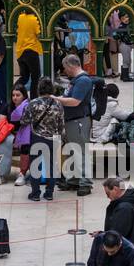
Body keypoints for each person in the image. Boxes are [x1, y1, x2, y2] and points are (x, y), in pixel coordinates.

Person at [56, 53, 93, 194]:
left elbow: (75, 101)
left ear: (71, 65)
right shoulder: (76, 80)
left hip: (79, 121)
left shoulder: (83, 81)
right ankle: (73, 180)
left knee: (80, 152)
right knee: (72, 151)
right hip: (73, 120)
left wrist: (56, 99)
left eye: (65, 67)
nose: (65, 70)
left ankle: (85, 183)